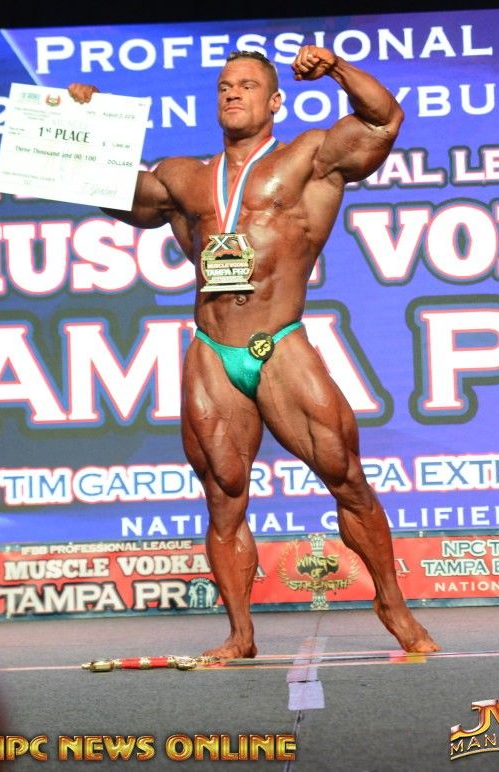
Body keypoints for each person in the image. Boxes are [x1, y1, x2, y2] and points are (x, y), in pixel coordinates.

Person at [69, 46, 440, 659]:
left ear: (274, 101)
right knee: (224, 495)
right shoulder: (184, 176)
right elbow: (109, 190)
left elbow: (383, 121)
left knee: (345, 476)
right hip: (212, 349)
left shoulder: (308, 157)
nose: (232, 93)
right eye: (224, 86)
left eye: (246, 85)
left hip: (278, 343)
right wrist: (85, 123)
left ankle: (392, 605)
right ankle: (240, 633)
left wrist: (338, 68)